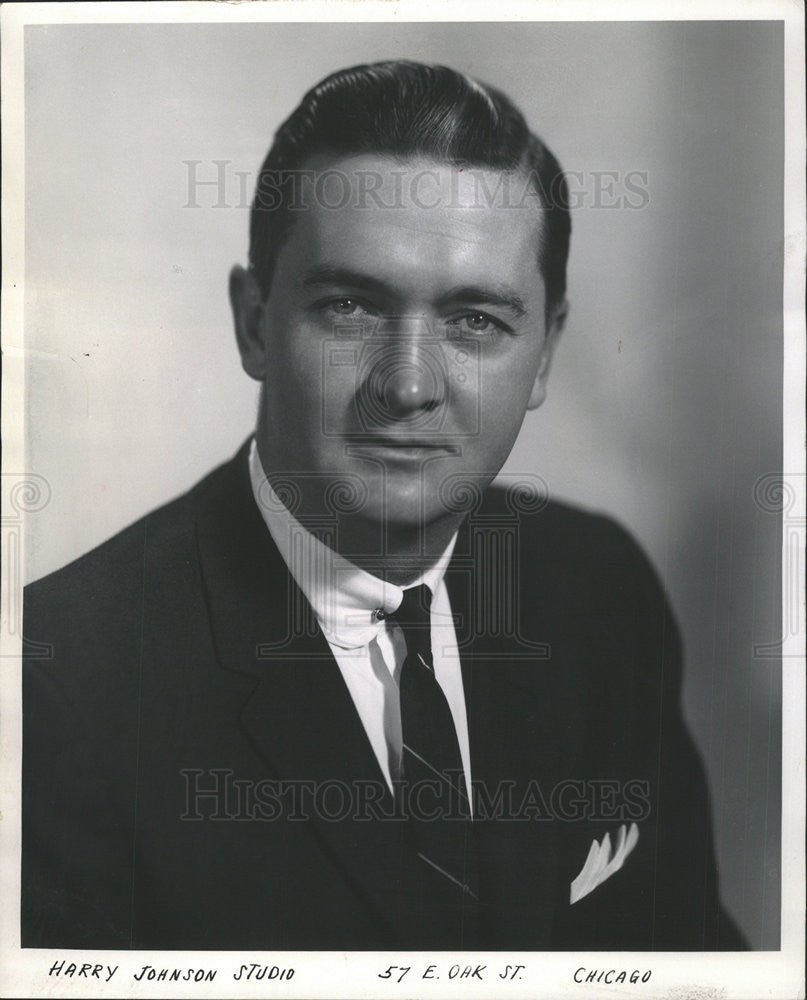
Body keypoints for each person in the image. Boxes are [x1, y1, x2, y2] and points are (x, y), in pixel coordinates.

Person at [22, 60, 745, 951]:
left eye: (475, 320)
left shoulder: (598, 590)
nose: (408, 384)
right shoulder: (55, 689)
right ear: (255, 322)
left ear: (546, 352)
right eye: (350, 305)